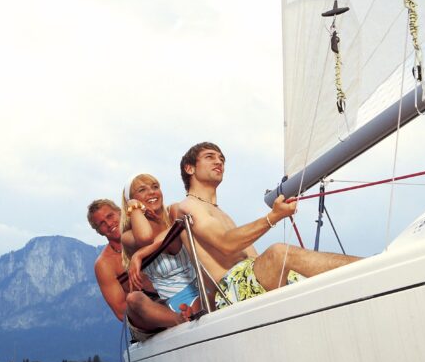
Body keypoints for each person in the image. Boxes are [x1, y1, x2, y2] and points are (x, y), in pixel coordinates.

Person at [175, 142, 361, 309]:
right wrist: (273, 216)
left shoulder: (221, 213)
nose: (219, 162)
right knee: (278, 253)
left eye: (221, 159)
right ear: (190, 168)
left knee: (308, 276)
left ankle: (366, 274)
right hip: (231, 291)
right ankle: (366, 270)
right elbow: (226, 244)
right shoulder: (188, 205)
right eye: (209, 157)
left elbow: (252, 258)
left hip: (252, 278)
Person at [87, 199, 183, 341]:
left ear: (120, 212)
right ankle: (180, 319)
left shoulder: (146, 233)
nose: (109, 224)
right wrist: (156, 308)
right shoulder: (104, 264)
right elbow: (121, 312)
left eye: (110, 216)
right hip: (145, 315)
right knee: (134, 299)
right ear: (99, 231)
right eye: (101, 223)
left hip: (177, 291)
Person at [121, 174, 201, 317]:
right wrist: (134, 206)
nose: (151, 192)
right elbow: (145, 237)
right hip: (176, 300)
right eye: (142, 190)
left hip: (203, 283)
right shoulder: (128, 237)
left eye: (155, 187)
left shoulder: (174, 211)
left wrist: (140, 254)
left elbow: (175, 239)